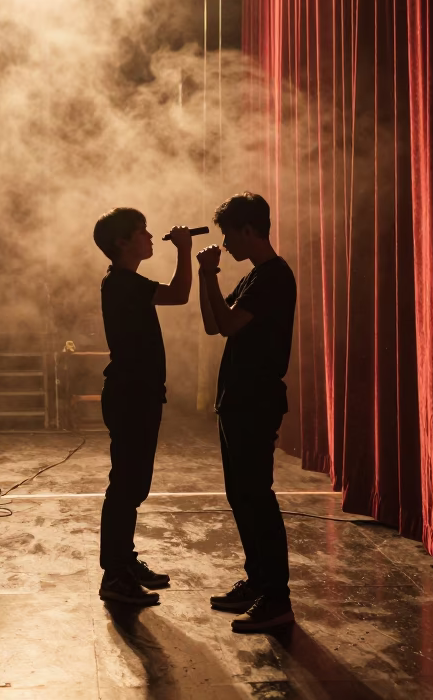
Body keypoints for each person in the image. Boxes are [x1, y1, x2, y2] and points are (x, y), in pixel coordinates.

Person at [196, 192, 297, 632]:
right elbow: (213, 323)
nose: (226, 243)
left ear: (249, 230)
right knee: (243, 496)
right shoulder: (255, 277)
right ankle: (259, 583)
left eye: (229, 233)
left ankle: (277, 599)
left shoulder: (273, 277)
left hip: (255, 400)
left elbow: (230, 323)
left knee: (256, 496)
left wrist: (208, 273)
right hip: (238, 400)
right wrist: (206, 277)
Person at [92, 207, 192, 605]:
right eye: (142, 232)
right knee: (127, 486)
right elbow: (180, 294)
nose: (150, 238)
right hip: (130, 395)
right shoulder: (121, 284)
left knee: (132, 485)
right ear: (121, 242)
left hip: (138, 393)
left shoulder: (126, 282)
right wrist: (185, 251)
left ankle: (124, 561)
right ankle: (115, 576)